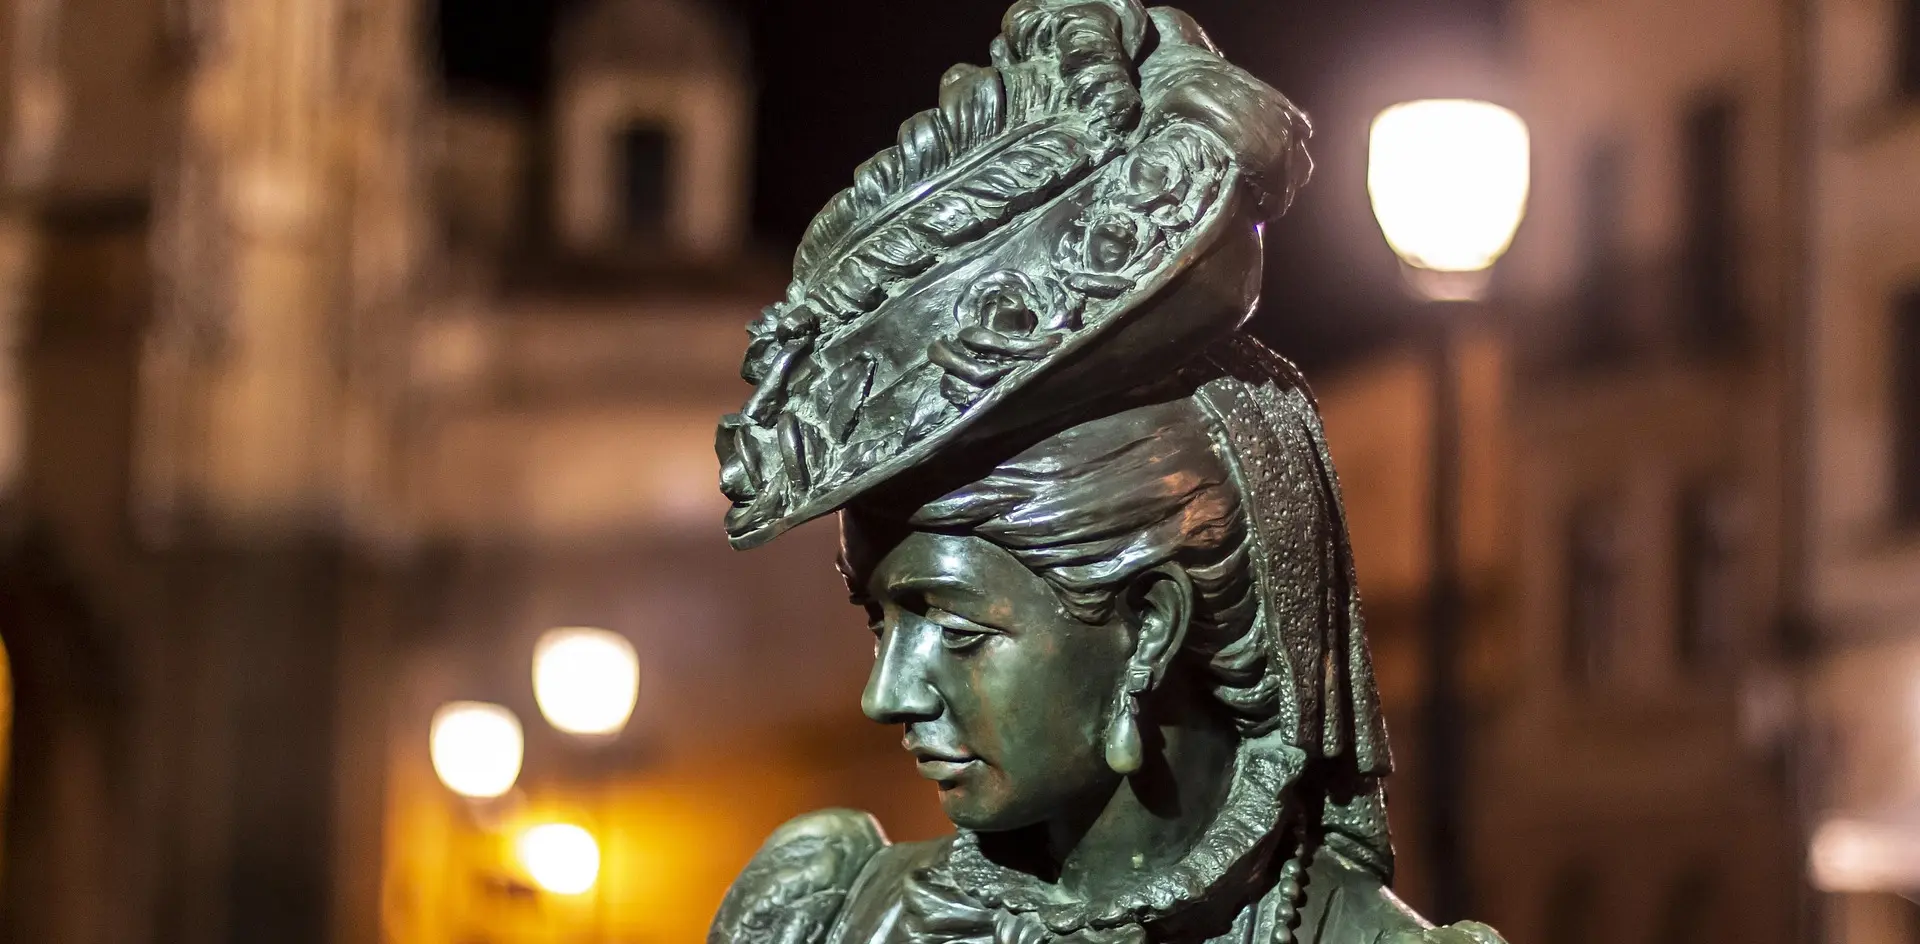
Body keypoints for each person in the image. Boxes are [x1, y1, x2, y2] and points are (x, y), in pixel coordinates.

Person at [709, 3, 1511, 943]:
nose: (886, 695)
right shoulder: (830, 920)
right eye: (880, 622)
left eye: (956, 630)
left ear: (1150, 629)